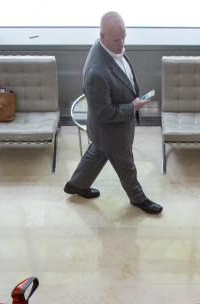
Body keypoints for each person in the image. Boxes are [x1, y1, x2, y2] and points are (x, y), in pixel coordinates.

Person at [63, 11, 163, 215]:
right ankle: (138, 199)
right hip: (111, 131)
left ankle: (76, 184)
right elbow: (105, 113)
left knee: (97, 152)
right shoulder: (96, 73)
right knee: (127, 165)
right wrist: (133, 107)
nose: (122, 43)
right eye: (117, 40)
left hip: (102, 132)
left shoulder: (105, 46)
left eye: (124, 37)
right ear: (102, 36)